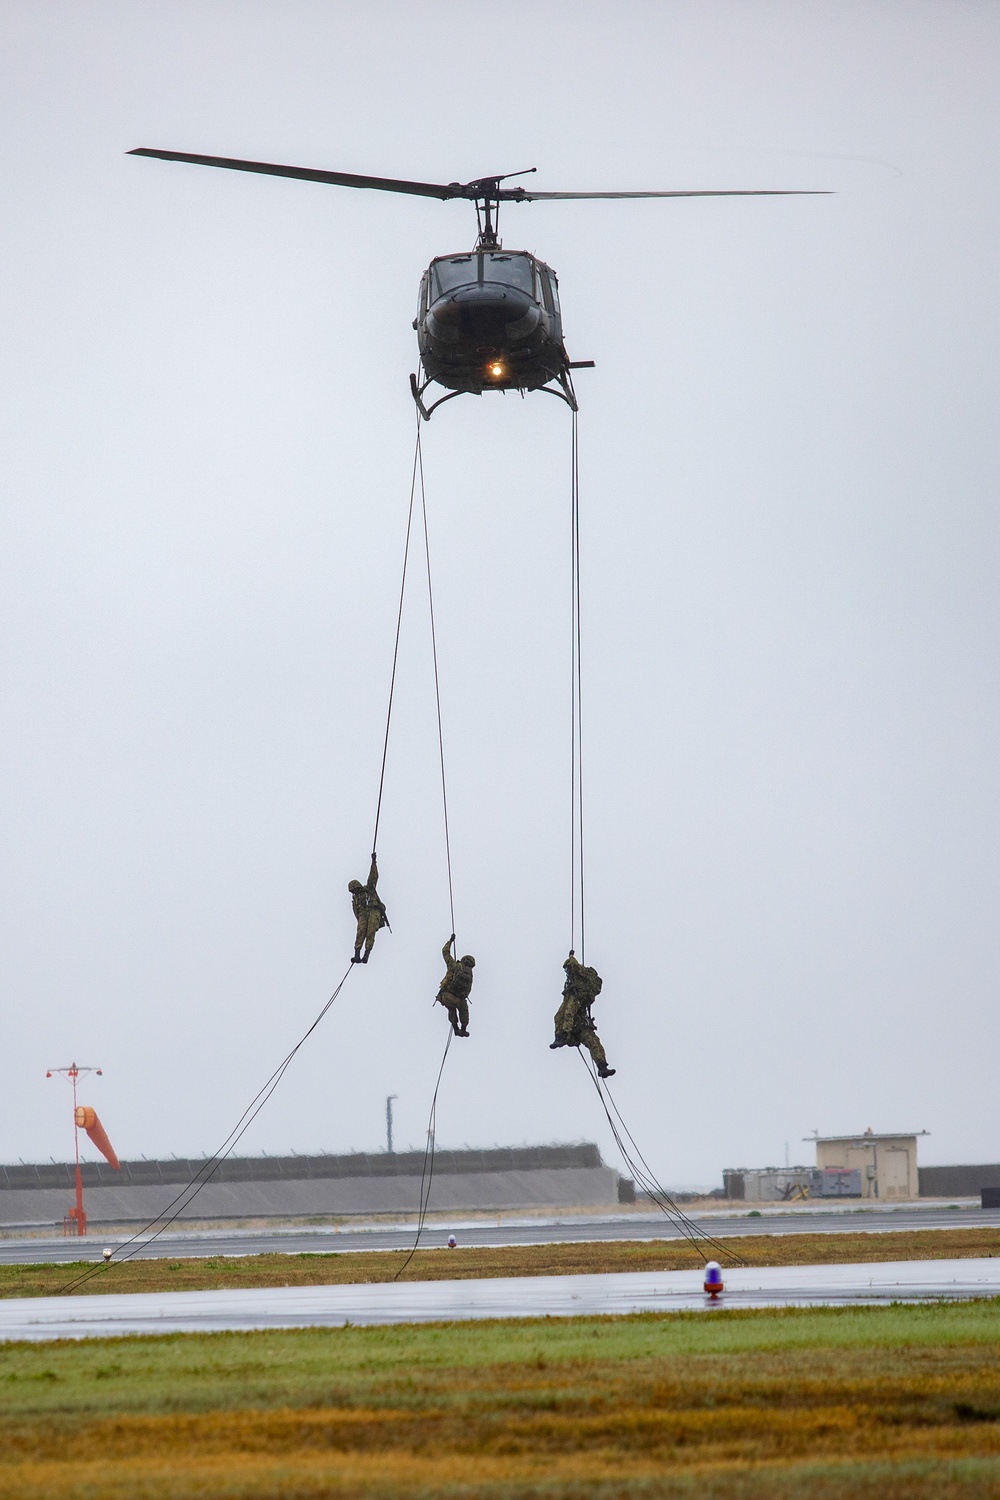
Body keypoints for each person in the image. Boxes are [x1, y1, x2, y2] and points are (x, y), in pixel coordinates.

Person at [550, 950, 615, 1077]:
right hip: (576, 1029)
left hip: (579, 1027)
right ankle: (561, 1037)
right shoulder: (575, 989)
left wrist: (571, 958)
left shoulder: (578, 990)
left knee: (593, 1042)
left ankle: (602, 1066)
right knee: (561, 1016)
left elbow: (569, 1013)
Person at [348, 852, 387, 963]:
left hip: (374, 911)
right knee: (361, 932)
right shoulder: (355, 900)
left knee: (370, 932)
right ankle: (357, 954)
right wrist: (360, 920)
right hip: (363, 915)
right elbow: (356, 913)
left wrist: (373, 862)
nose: (355, 892)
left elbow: (373, 876)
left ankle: (366, 954)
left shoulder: (369, 889)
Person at [436, 935, 475, 1036]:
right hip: (459, 999)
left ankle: (456, 1028)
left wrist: (450, 941)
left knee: (451, 1007)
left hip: (447, 996)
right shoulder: (470, 973)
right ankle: (462, 1029)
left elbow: (445, 952)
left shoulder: (455, 966)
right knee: (462, 1008)